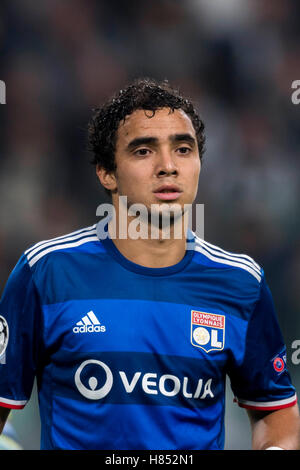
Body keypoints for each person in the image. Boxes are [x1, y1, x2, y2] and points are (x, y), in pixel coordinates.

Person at [0, 78, 299, 450]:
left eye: (184, 149)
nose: (168, 166)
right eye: (143, 151)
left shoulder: (241, 282)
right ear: (107, 173)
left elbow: (275, 411)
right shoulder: (45, 273)